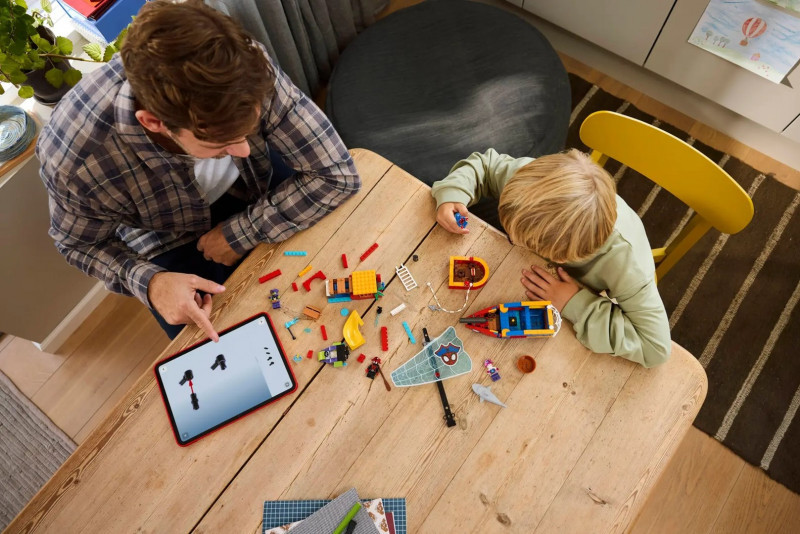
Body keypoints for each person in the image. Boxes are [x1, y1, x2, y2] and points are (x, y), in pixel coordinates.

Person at [38, 0, 360, 342]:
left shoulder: (241, 66)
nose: (244, 148)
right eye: (222, 141)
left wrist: (241, 232)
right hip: (166, 235)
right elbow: (78, 244)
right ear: (154, 123)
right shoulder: (73, 158)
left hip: (255, 180)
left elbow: (337, 175)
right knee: (224, 347)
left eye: (248, 129)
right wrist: (150, 283)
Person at [432, 148, 671, 367]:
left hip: (604, 284)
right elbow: (485, 166)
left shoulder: (626, 266)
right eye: (511, 230)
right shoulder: (528, 184)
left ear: (564, 257)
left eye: (525, 241)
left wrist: (574, 303)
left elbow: (656, 349)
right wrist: (454, 193)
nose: (512, 239)